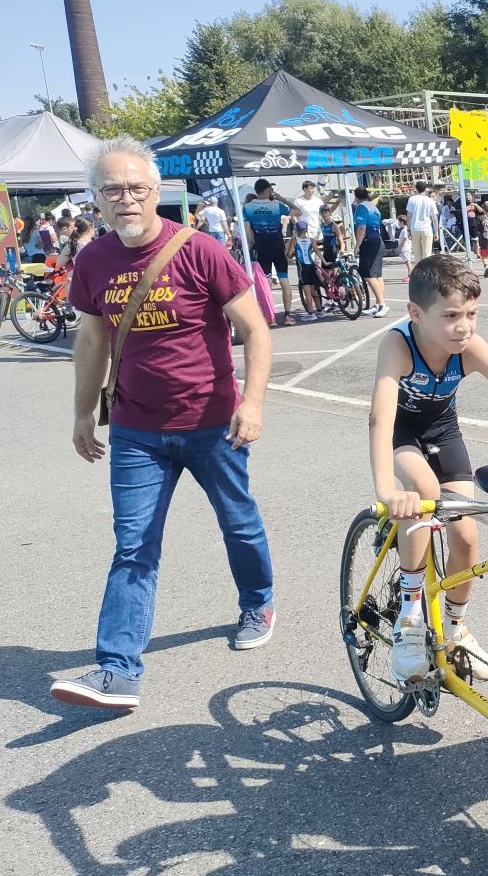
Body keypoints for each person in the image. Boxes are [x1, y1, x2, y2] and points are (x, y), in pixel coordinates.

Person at [52, 136, 276, 711]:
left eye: (136, 187)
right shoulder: (93, 260)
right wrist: (82, 413)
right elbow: (94, 340)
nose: (125, 198)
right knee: (133, 546)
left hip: (212, 422)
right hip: (135, 430)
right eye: (112, 190)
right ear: (95, 200)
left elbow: (255, 330)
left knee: (239, 522)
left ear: (156, 192)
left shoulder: (200, 251)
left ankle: (258, 601)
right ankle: (117, 669)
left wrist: (251, 403)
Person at [369, 255, 488, 685]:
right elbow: (381, 419)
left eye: (471, 314)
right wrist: (387, 487)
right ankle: (410, 617)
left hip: (442, 431)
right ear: (415, 314)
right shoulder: (397, 345)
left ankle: (456, 626)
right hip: (402, 432)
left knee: (466, 532)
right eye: (450, 316)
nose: (464, 326)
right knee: (424, 492)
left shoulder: (469, 348)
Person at [243, 178, 293, 324]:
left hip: (262, 247)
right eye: (270, 189)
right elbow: (298, 211)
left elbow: (247, 231)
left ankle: (270, 318)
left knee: (266, 282)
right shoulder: (276, 205)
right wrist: (282, 198)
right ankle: (288, 316)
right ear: (267, 190)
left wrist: (252, 244)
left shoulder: (247, 207)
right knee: (284, 280)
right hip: (277, 246)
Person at [352, 186, 390, 317]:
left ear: (356, 196)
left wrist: (357, 245)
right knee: (377, 275)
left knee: (368, 274)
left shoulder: (361, 208)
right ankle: (380, 303)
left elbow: (361, 227)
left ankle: (382, 304)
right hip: (378, 241)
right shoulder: (374, 207)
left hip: (369, 242)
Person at [292, 218, 324, 321]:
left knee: (307, 293)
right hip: (311, 266)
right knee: (314, 290)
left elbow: (288, 254)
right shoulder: (312, 240)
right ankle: (320, 311)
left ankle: (311, 313)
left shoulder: (294, 240)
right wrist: (325, 262)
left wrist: (293, 256)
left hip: (302, 267)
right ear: (306, 229)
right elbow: (318, 252)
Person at [405, 180, 438, 267]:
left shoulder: (412, 199)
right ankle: (427, 274)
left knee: (417, 255)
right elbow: (434, 218)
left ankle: (419, 275)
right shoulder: (430, 201)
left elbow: (409, 216)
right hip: (426, 228)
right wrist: (436, 232)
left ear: (416, 189)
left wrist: (408, 230)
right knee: (427, 254)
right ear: (425, 189)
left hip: (415, 228)